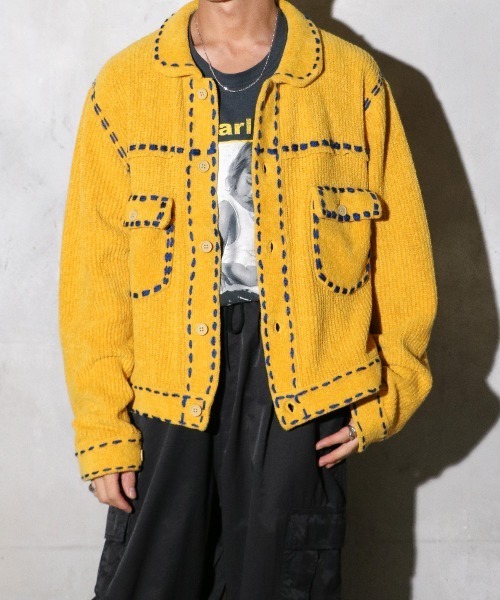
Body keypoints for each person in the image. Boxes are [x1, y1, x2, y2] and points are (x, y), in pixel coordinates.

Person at [58, 0, 438, 598]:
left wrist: (389, 394)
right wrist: (103, 428)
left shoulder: (349, 78)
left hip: (304, 387)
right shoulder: (126, 84)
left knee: (284, 584)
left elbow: (402, 253)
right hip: (166, 384)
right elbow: (93, 276)